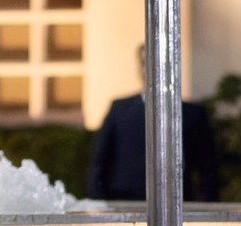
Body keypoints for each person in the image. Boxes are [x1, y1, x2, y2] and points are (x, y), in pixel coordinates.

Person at [88, 49, 221, 201]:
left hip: (176, 201)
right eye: (146, 62)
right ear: (140, 68)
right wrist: (99, 202)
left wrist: (206, 206)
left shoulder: (192, 113)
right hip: (125, 201)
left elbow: (208, 166)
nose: (153, 68)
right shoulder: (120, 109)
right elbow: (100, 160)